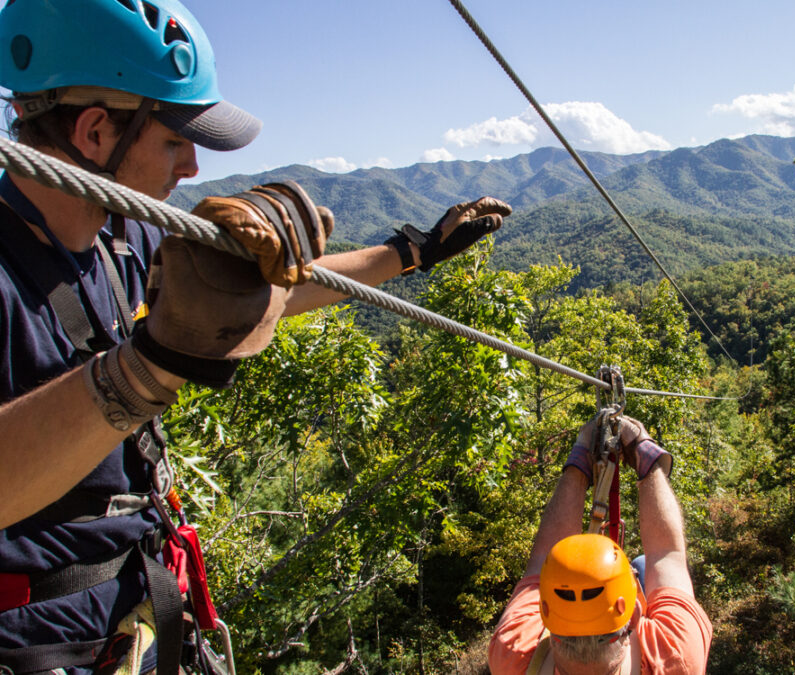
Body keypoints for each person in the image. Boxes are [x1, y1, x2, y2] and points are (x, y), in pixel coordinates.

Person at [0, 1, 511, 673]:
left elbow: (275, 292)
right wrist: (145, 369)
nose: (191, 168)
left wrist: (410, 250)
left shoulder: (127, 236)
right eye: (174, 138)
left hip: (135, 615)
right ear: (95, 132)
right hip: (39, 644)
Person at [488, 416, 712, 674]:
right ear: (635, 612)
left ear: (545, 609)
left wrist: (581, 453)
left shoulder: (514, 655)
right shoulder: (674, 658)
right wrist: (644, 453)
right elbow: (667, 554)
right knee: (643, 564)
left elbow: (541, 558)